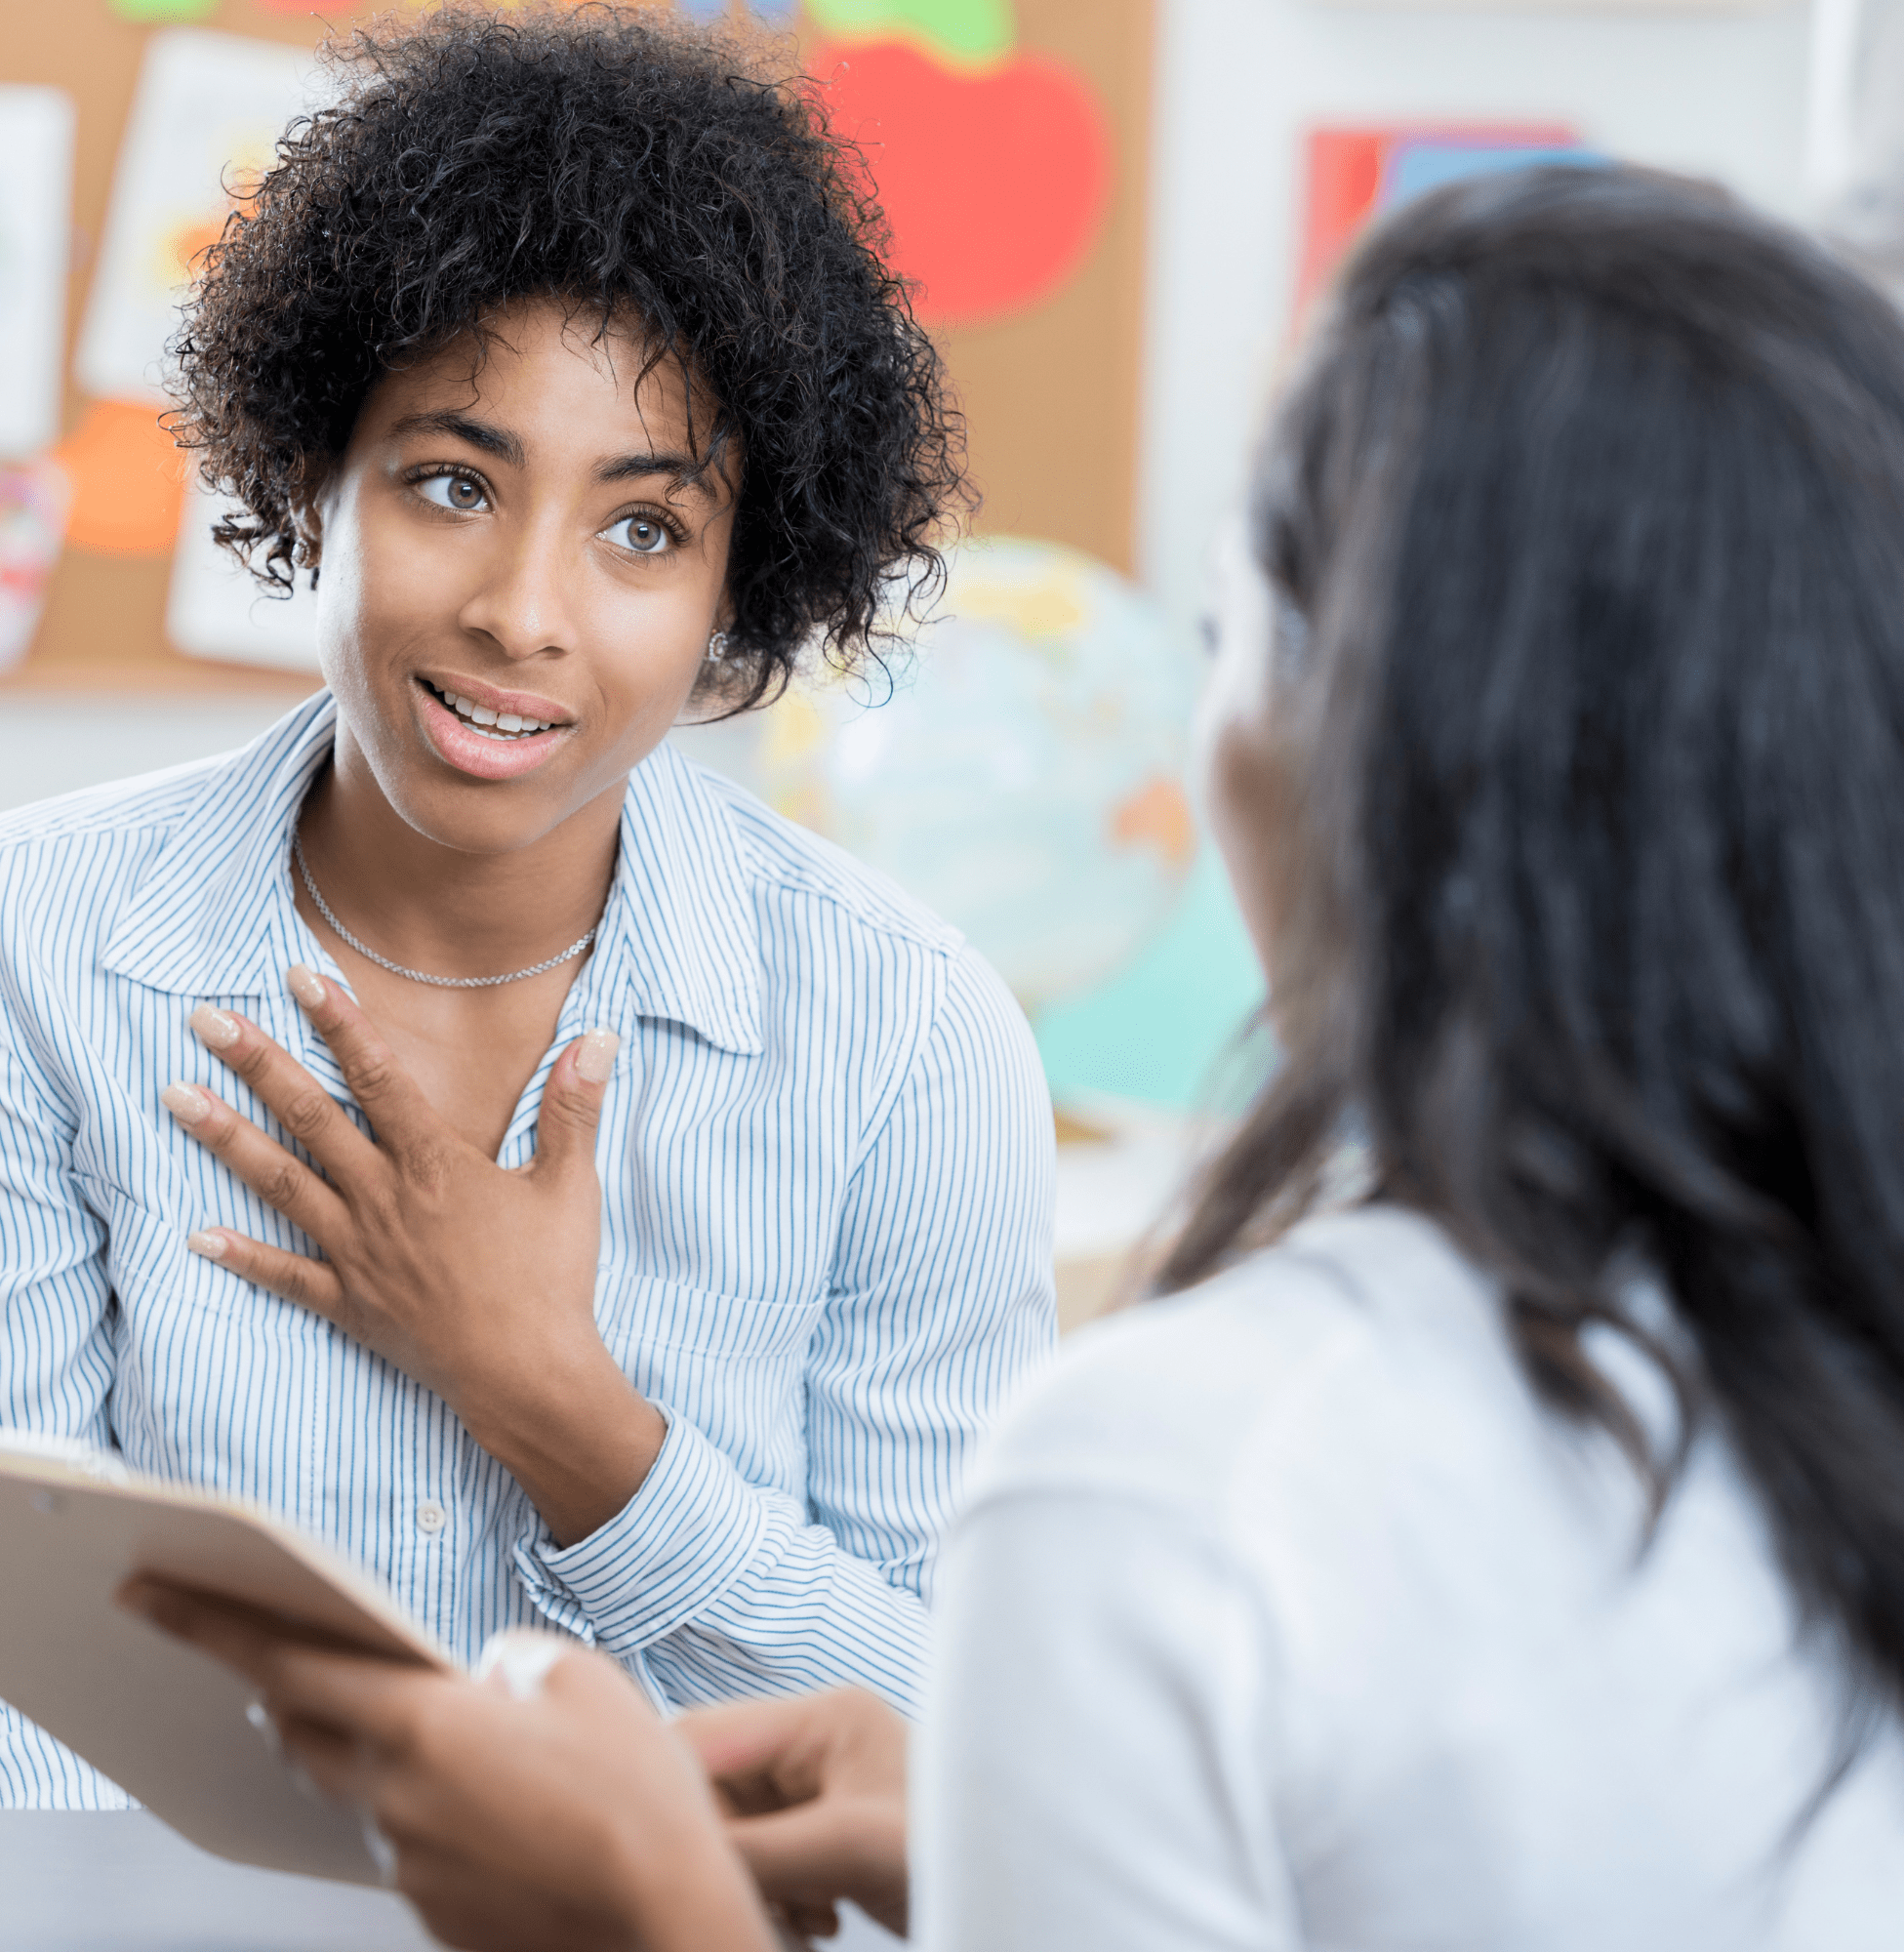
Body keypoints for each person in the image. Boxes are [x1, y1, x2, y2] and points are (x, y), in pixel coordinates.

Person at [134, 162, 1904, 1949]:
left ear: (1350, 725)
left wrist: (654, 1904)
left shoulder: (1175, 1480)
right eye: (451, 483)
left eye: (1225, 634)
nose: (528, 611)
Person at [0, 6, 1056, 1807]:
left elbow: (971, 1752)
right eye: (453, 484)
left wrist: (561, 1410)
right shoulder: (12, 948)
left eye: (643, 529)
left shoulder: (908, 1044)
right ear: (317, 477)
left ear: (738, 587)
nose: (525, 614)